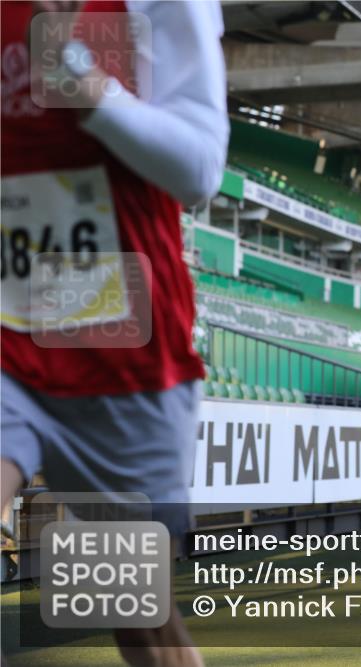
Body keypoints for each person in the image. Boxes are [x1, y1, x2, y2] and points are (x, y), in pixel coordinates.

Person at [1, 2, 228, 666]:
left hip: (122, 356)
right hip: (8, 332)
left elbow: (199, 169)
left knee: (137, 619)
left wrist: (76, 75)